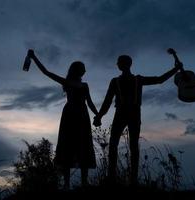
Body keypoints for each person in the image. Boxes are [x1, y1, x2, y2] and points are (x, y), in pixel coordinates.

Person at [93, 55, 182, 185]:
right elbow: (160, 80)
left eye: (119, 63)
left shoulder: (130, 80)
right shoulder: (124, 81)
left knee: (124, 145)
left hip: (128, 113)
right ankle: (119, 179)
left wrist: (175, 70)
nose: (118, 64)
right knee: (123, 146)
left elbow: (160, 80)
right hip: (127, 113)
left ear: (123, 64)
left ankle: (124, 179)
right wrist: (99, 116)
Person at [27, 49, 97, 189]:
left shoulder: (85, 85)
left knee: (83, 146)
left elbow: (89, 102)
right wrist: (33, 58)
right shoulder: (67, 82)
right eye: (82, 68)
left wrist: (98, 114)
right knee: (67, 146)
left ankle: (84, 183)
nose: (85, 70)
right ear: (77, 70)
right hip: (70, 116)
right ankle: (66, 185)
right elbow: (46, 72)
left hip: (83, 117)